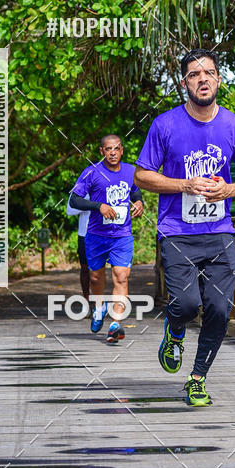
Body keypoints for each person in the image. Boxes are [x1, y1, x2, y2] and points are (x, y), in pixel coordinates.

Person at [135, 49, 235, 406]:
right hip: (177, 232)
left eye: (209, 72)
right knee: (187, 304)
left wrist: (230, 189)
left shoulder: (234, 126)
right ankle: (174, 331)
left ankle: (197, 378)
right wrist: (184, 185)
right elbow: (142, 175)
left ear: (219, 79)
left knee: (221, 309)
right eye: (195, 74)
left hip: (220, 230)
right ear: (185, 83)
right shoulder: (165, 125)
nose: (203, 79)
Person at [69, 135, 144, 342]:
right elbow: (74, 200)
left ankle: (115, 324)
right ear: (102, 151)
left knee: (121, 276)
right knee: (95, 278)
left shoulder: (131, 172)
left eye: (117, 149)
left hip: (122, 235)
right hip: (96, 236)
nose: (113, 153)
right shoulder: (91, 172)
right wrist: (98, 206)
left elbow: (136, 193)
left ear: (122, 150)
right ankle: (99, 308)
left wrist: (139, 203)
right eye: (108, 149)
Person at [65, 197, 90, 302]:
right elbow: (69, 210)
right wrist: (92, 204)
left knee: (100, 271)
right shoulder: (81, 187)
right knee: (85, 269)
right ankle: (87, 300)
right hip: (85, 235)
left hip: (104, 234)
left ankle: (101, 304)